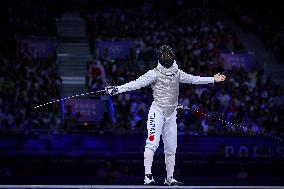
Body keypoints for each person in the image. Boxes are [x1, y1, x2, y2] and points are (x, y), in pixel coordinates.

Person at [105, 45, 226, 185]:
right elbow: (135, 84)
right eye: (165, 55)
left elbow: (194, 79)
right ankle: (148, 177)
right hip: (157, 112)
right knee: (152, 143)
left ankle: (169, 178)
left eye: (168, 55)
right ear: (160, 57)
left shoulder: (178, 72)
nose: (167, 57)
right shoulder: (154, 73)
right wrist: (117, 89)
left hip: (171, 113)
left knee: (171, 147)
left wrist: (212, 79)